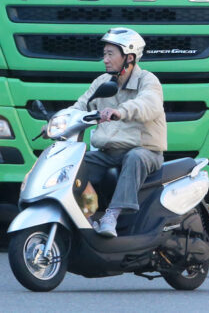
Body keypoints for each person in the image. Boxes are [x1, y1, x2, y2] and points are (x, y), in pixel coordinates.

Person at [72, 27, 167, 237]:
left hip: (145, 151)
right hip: (109, 153)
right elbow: (80, 106)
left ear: (129, 57)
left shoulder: (148, 81)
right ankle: (86, 218)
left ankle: (111, 216)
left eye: (110, 54)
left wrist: (120, 112)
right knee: (75, 166)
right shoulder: (101, 82)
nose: (105, 59)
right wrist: (56, 122)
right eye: (104, 54)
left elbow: (149, 105)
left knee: (135, 157)